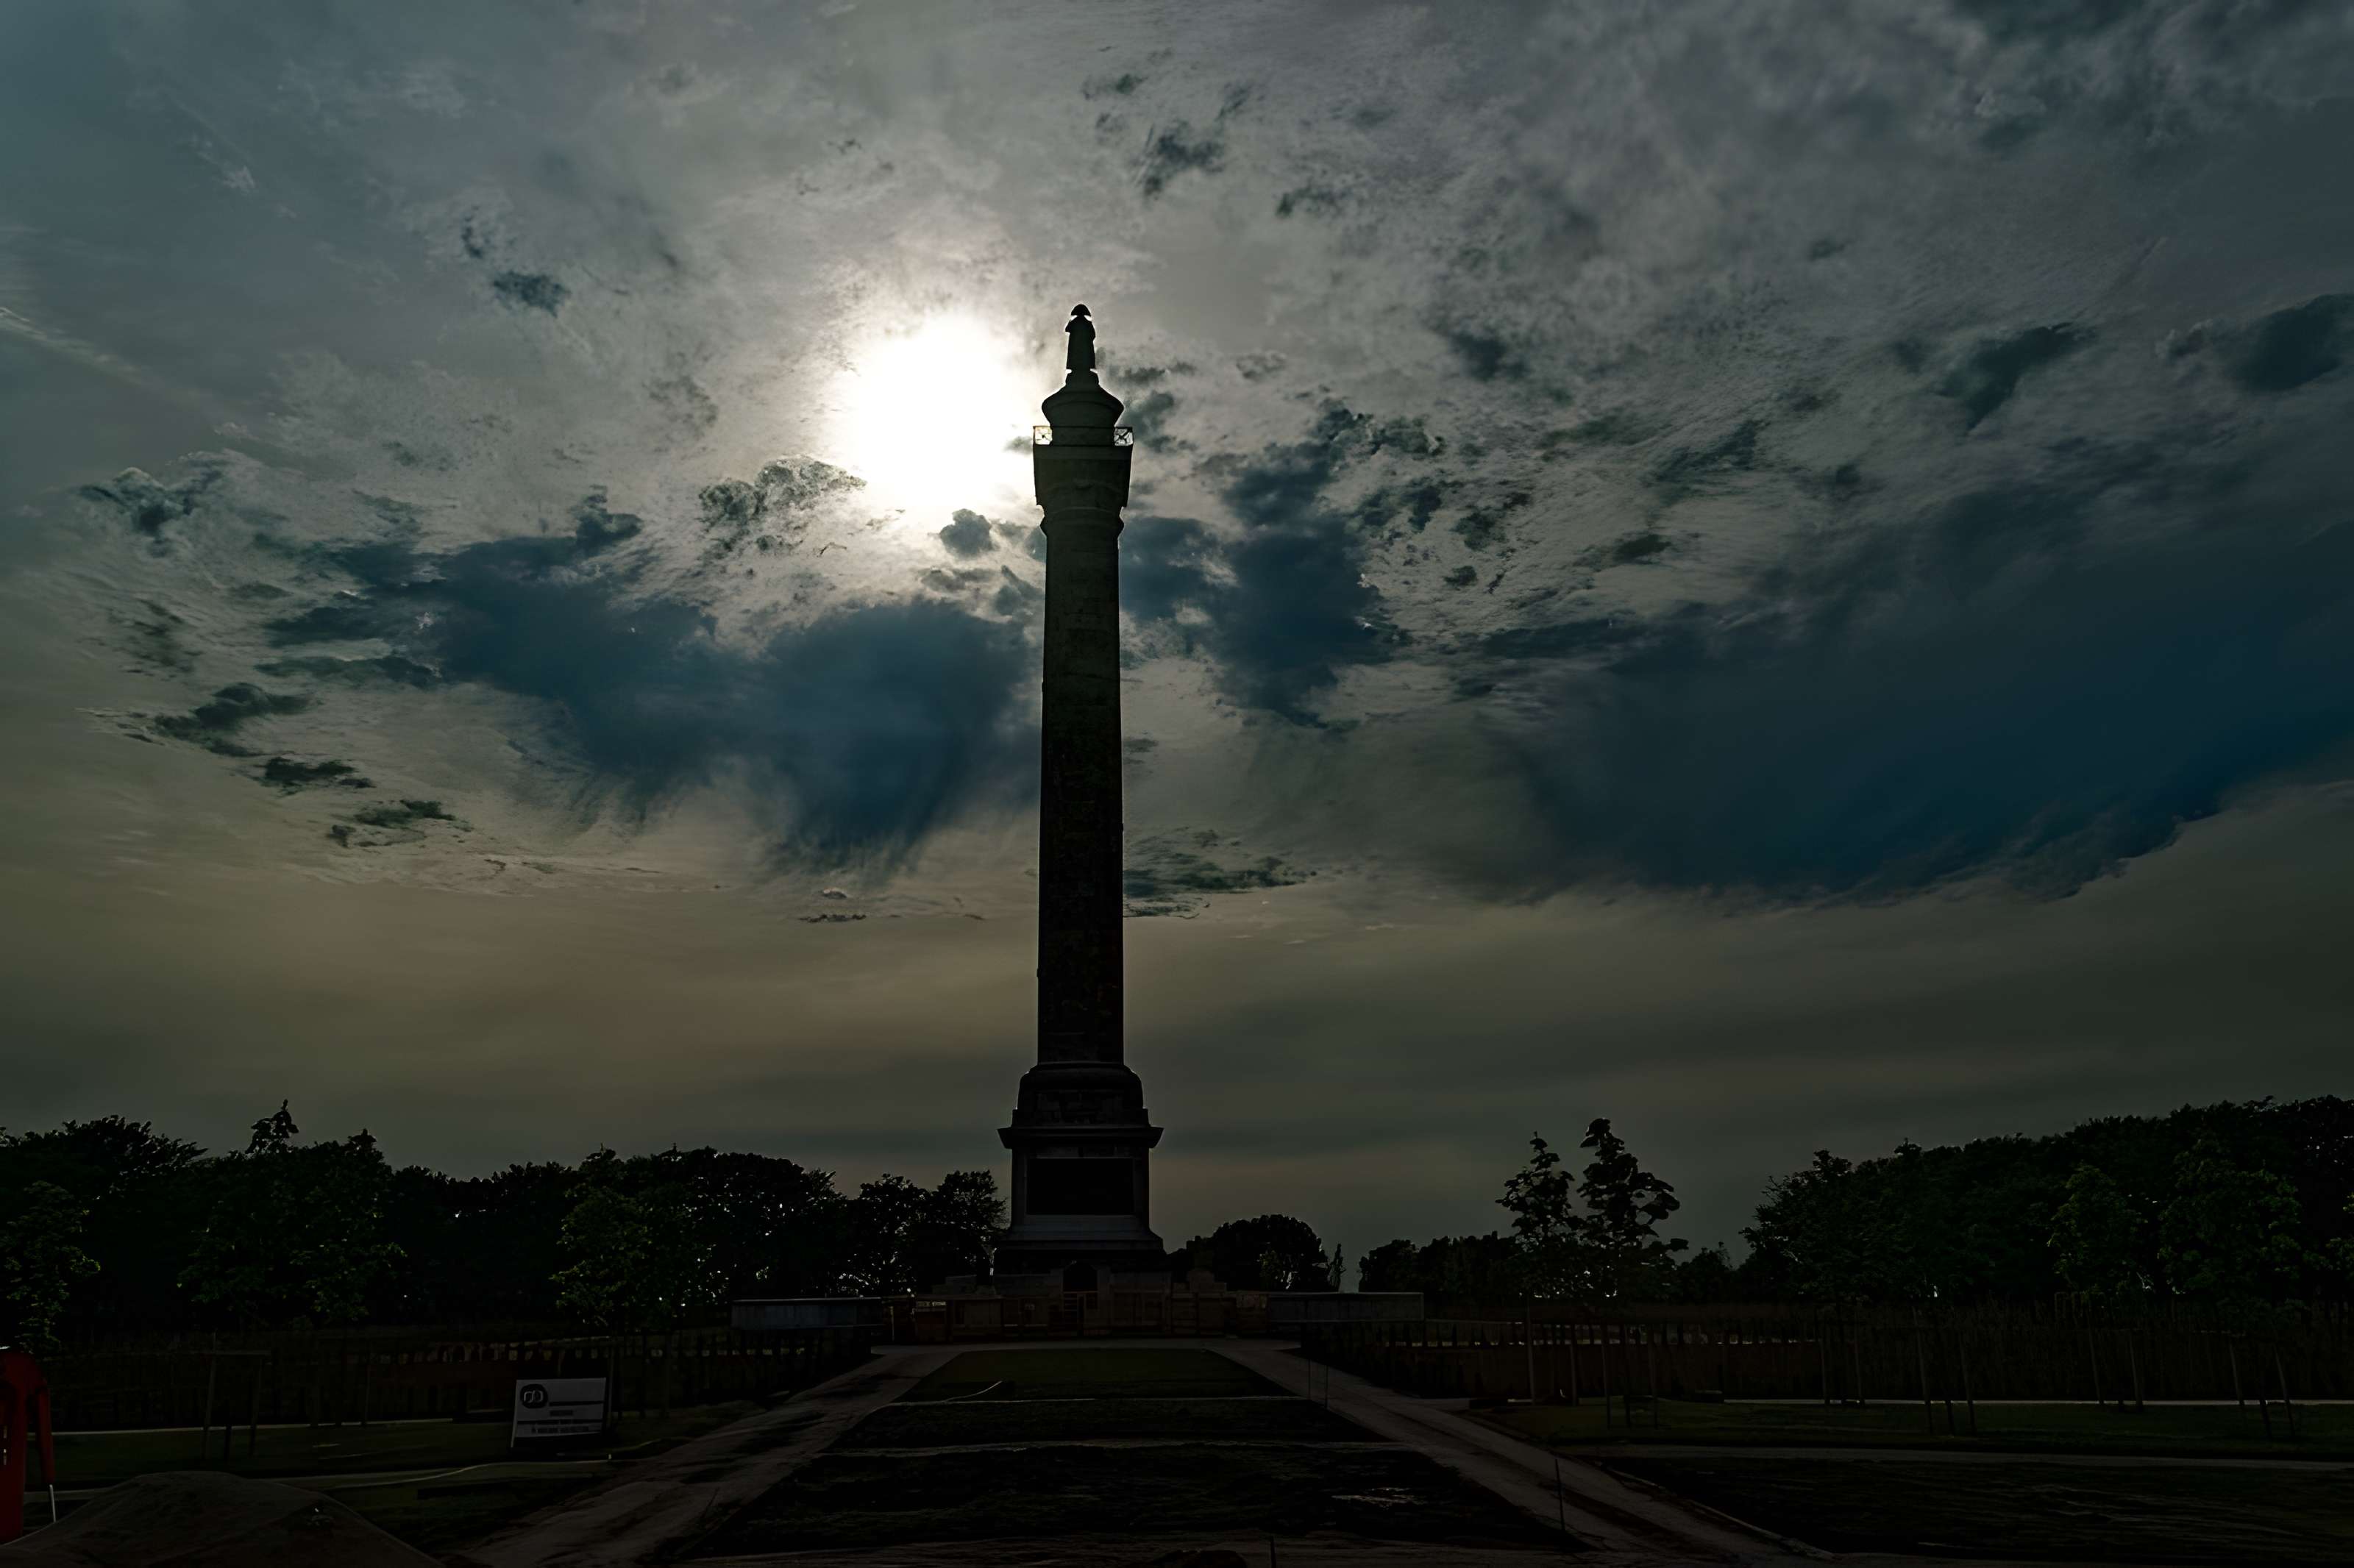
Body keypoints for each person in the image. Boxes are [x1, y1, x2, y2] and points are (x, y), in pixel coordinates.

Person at [1064, 304, 1095, 373]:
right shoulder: (1087, 323)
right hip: (1085, 350)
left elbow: (1067, 329)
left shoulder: (1074, 322)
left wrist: (1070, 321)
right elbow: (1093, 335)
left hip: (1075, 350)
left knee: (1076, 361)